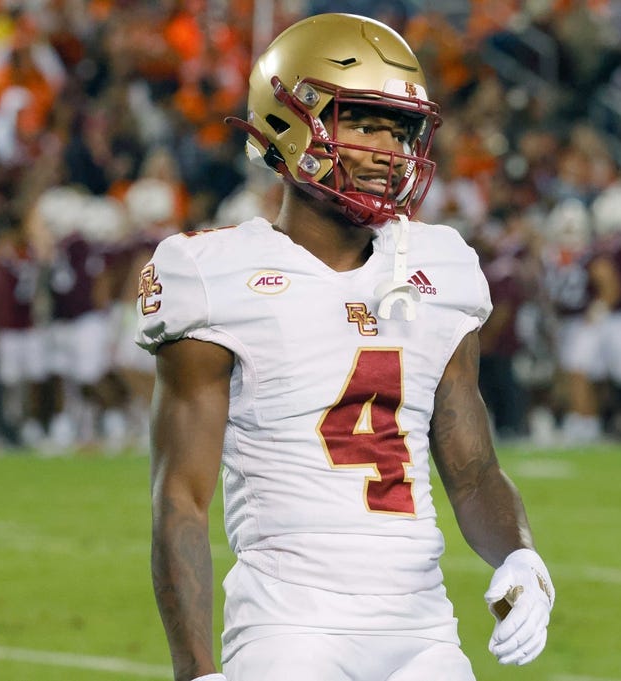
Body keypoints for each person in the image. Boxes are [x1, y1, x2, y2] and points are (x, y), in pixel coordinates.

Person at [136, 13, 554, 681]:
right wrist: (196, 669)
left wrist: (520, 555)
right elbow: (180, 497)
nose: (389, 150)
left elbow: (472, 472)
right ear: (288, 122)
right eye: (362, 122)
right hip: (288, 627)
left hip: (423, 627)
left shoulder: (441, 267)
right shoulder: (214, 276)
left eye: (400, 128)